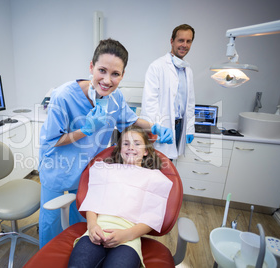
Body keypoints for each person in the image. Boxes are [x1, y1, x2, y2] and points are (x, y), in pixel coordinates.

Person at [38, 39, 173, 248]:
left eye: (115, 74)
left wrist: (155, 127)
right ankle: (47, 257)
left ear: (122, 75)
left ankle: (76, 252)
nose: (107, 80)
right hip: (57, 167)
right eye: (102, 70)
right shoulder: (64, 97)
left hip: (86, 169)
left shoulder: (115, 98)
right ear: (91, 67)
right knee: (52, 220)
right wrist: (85, 130)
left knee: (82, 217)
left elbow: (131, 120)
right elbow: (53, 140)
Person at [68, 125, 173, 268]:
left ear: (146, 151)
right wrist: (92, 226)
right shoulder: (105, 170)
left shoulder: (154, 179)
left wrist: (126, 235)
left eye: (137, 144)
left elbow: (151, 218)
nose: (131, 147)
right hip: (97, 231)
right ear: (119, 148)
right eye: (126, 143)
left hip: (129, 237)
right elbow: (92, 202)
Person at [141, 24, 196, 160]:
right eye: (181, 40)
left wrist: (189, 128)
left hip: (179, 127)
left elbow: (189, 103)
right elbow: (150, 103)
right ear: (172, 41)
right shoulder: (157, 66)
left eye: (188, 41)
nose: (184, 45)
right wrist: (155, 130)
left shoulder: (188, 70)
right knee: (155, 166)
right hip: (162, 127)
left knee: (169, 166)